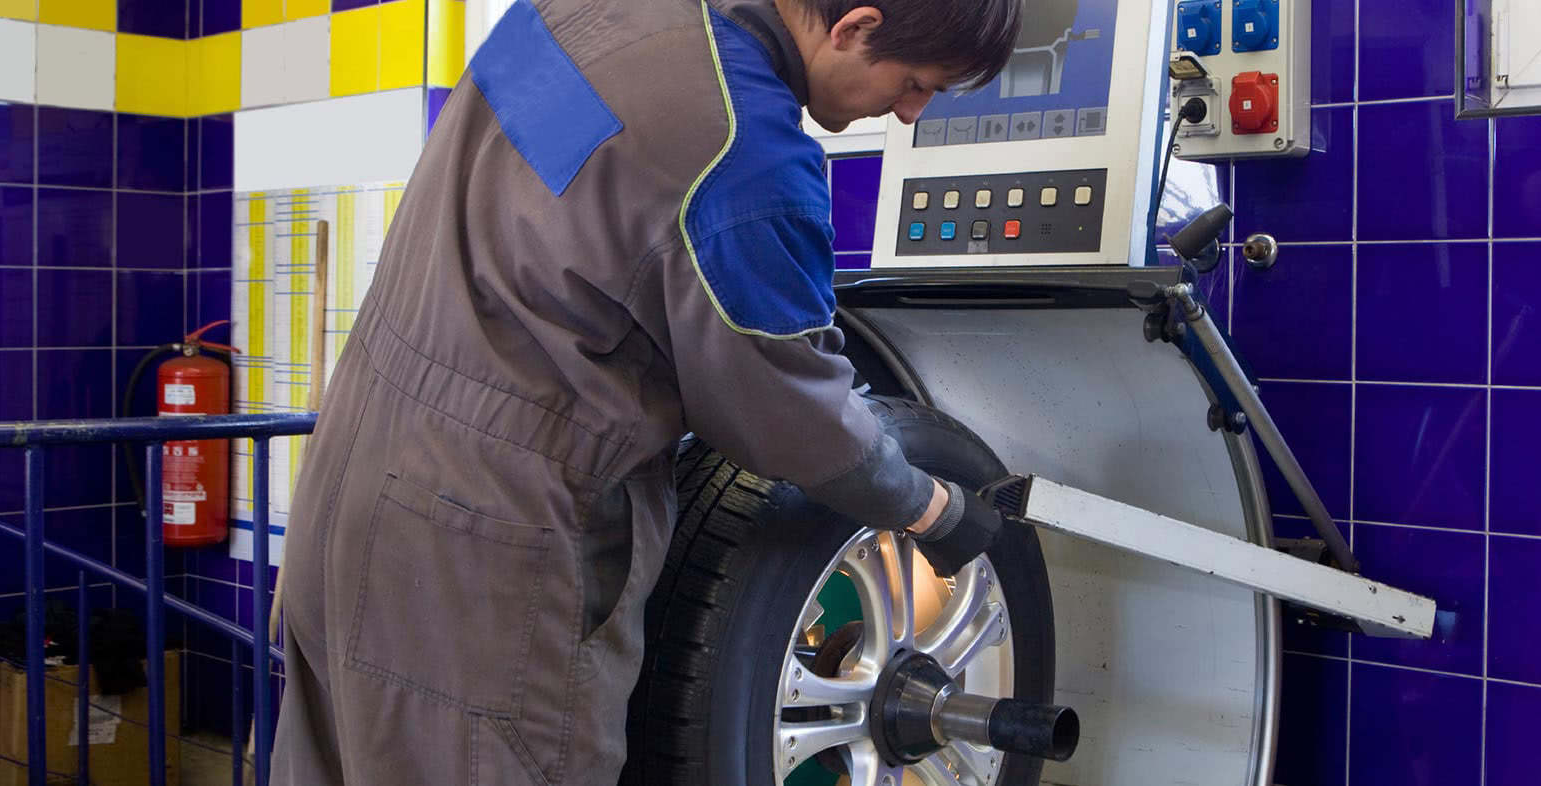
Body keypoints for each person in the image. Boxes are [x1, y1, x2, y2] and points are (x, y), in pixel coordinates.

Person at [267, 0, 1025, 782]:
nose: (909, 113)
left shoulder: (579, 12)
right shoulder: (743, 152)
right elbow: (795, 411)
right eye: (915, 83)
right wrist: (929, 507)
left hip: (349, 482)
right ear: (854, 27)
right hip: (485, 556)